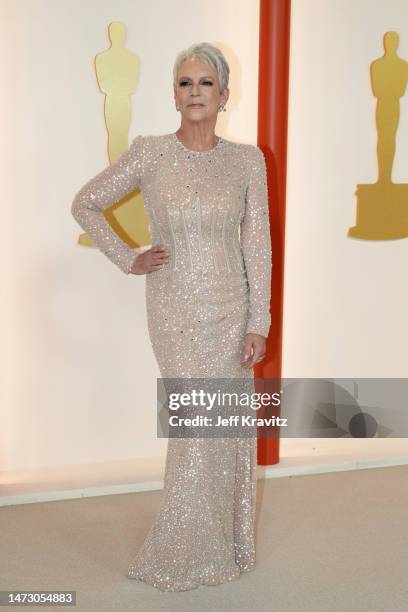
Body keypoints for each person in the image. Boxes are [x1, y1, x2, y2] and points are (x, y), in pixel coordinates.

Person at [71, 42, 272, 592]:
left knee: (225, 427)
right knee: (194, 426)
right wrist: (128, 256)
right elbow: (85, 202)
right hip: (175, 310)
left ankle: (224, 547)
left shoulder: (247, 160)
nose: (195, 93)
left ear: (224, 94)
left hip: (232, 311)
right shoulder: (149, 153)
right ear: (174, 94)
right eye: (185, 83)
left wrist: (260, 322)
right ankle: (180, 550)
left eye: (205, 83)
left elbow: (257, 246)